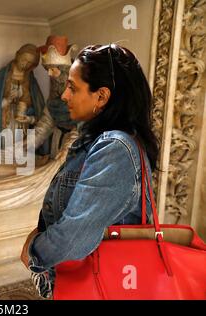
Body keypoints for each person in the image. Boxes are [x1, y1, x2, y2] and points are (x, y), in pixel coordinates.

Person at [20, 44, 159, 298]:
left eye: (73, 87)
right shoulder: (97, 141)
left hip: (101, 286)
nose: (64, 95)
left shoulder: (115, 148)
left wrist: (33, 250)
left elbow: (72, 239)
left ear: (101, 96)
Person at [0, 44, 45, 149]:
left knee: (19, 149)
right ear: (17, 55)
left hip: (21, 123)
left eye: (30, 63)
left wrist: (28, 117)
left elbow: (38, 107)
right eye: (24, 59)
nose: (25, 64)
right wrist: (8, 100)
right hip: (5, 120)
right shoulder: (3, 75)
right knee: (5, 146)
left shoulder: (30, 79)